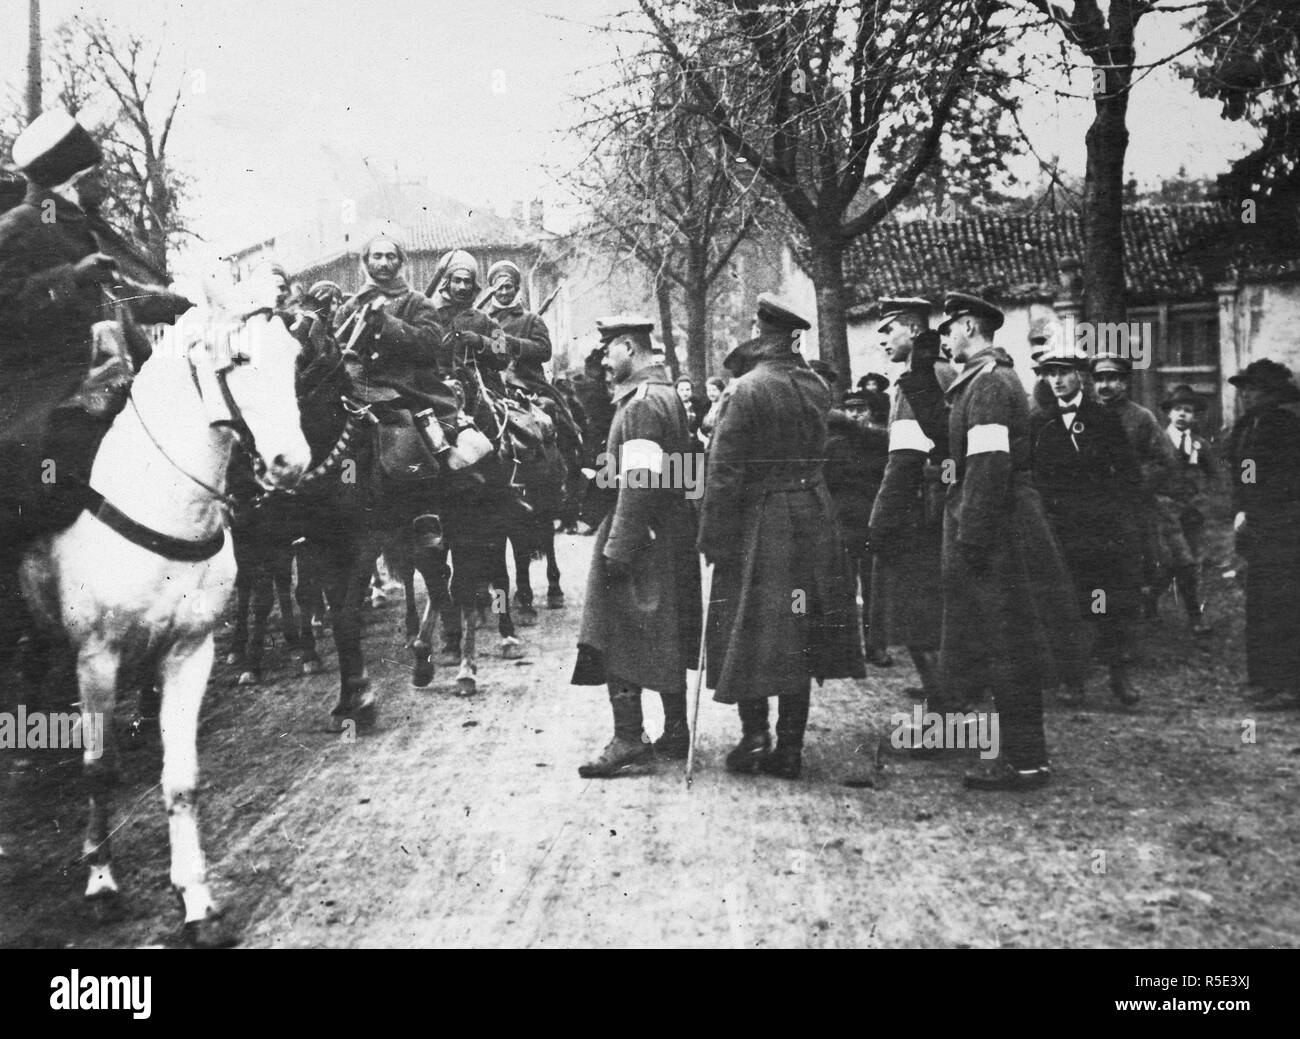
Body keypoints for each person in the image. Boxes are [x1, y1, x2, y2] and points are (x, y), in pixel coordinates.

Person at [0, 110, 193, 655]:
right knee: (50, 460)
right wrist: (71, 277)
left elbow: (112, 294)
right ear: (75, 179)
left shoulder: (72, 225)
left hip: (86, 375)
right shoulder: (17, 226)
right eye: (99, 175)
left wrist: (166, 304)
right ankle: (31, 583)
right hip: (32, 387)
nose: (106, 184)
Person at [698, 293, 864, 780]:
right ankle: (790, 746)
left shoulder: (744, 390)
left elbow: (724, 473)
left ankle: (755, 736)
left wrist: (713, 538)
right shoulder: (815, 386)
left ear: (759, 328)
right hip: (814, 515)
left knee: (748, 624)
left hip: (760, 521)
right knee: (801, 627)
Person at [937, 292, 1086, 790]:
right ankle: (1024, 757)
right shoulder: (983, 381)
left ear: (971, 327)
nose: (946, 336)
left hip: (1001, 530)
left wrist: (971, 538)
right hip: (1000, 524)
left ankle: (1022, 762)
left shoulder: (991, 385)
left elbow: (988, 467)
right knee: (1006, 644)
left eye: (950, 326)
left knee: (1010, 646)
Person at [572, 316, 701, 775]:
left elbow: (641, 480)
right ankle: (676, 729)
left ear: (629, 346)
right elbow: (686, 471)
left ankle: (628, 737)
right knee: (665, 627)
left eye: (608, 350)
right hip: (666, 530)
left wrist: (619, 547)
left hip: (640, 533)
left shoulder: (642, 405)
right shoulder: (665, 396)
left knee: (615, 628)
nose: (605, 361)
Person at [1028, 345, 1144, 707]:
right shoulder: (1039, 421)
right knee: (1064, 605)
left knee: (1104, 601)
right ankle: (1072, 680)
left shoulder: (1104, 418)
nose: (1057, 380)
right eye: (1050, 373)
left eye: (1064, 372)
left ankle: (1117, 675)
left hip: (1101, 530)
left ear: (1080, 375)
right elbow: (1032, 475)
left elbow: (1129, 474)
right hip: (1058, 529)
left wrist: (1116, 514)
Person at [333, 236, 456, 543]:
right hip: (359, 388)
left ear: (401, 262)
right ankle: (346, 498)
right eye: (377, 256)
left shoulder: (418, 302)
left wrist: (387, 324)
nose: (384, 263)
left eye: (391, 256)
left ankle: (423, 509)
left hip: (406, 389)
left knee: (409, 432)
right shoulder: (351, 306)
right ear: (366, 262)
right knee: (343, 445)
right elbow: (336, 347)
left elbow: (430, 346)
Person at [867, 298, 955, 690]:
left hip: (920, 512)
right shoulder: (945, 371)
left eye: (889, 329)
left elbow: (904, 459)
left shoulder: (916, 381)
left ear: (914, 331)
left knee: (919, 615)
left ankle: (944, 703)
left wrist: (880, 521)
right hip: (941, 506)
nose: (881, 338)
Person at [1226, 359, 1300, 710]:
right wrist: (1243, 507)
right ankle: (1265, 678)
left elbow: (1283, 477)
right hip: (1261, 524)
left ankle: (1290, 685)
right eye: (1243, 388)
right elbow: (1246, 471)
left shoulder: (1286, 423)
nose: (1245, 394)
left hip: (1287, 525)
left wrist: (1256, 504)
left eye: (1252, 387)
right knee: (1262, 602)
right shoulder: (1250, 423)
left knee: (1286, 605)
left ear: (1269, 391)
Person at [1091, 355, 1180, 620]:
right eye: (1099, 379)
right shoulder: (1088, 414)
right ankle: (1107, 618)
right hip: (1097, 503)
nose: (1104, 385)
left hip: (1133, 503)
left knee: (1145, 562)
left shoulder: (1142, 417)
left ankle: (1142, 607)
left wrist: (1135, 483)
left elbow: (1165, 461)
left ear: (1124, 383)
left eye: (1112, 378)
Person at [825, 387, 889, 676]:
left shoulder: (880, 440)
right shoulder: (834, 443)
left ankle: (876, 646)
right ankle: (849, 649)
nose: (855, 414)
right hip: (844, 523)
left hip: (873, 521)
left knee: (874, 587)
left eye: (860, 409)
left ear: (872, 412)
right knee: (845, 587)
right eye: (850, 409)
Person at [1155, 384, 1218, 636]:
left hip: (1192, 514)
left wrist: (1203, 500)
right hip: (1164, 511)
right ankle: (1195, 617)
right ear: (1168, 413)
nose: (1182, 414)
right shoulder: (1157, 439)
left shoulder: (1200, 445)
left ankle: (1149, 602)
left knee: (1183, 564)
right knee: (1181, 562)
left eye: (1188, 410)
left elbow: (1215, 475)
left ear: (1194, 416)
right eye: (1177, 409)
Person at [427, 249, 511, 399]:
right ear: (447, 283)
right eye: (457, 280)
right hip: (435, 390)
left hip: (478, 392)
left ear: (474, 285)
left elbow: (504, 357)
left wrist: (480, 342)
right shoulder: (429, 316)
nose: (462, 287)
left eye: (467, 281)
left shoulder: (486, 321)